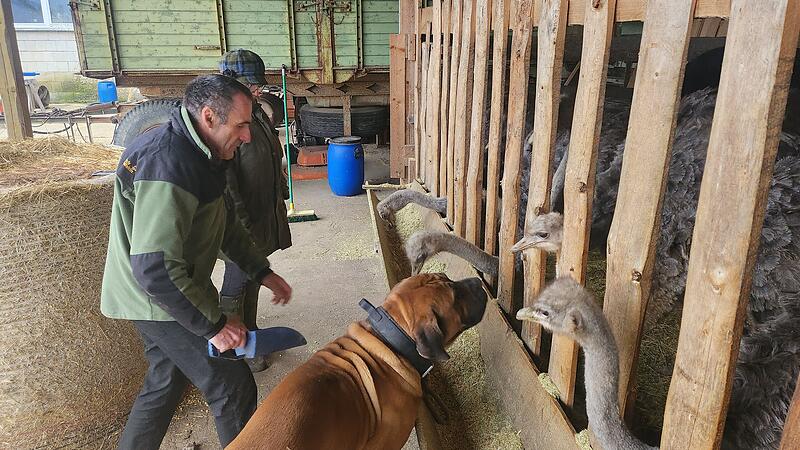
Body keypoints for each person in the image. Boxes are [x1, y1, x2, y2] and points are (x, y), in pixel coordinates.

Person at [100, 73, 293, 450]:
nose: (247, 136)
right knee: (232, 386)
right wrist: (215, 325)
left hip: (166, 290)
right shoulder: (169, 163)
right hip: (157, 297)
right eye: (240, 125)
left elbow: (225, 224)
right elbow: (155, 268)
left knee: (166, 381)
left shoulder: (204, 154)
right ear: (208, 117)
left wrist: (261, 270)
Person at [217, 49, 293, 372]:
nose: (258, 89)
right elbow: (228, 186)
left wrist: (280, 185)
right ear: (230, 83)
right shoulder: (224, 122)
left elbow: (269, 154)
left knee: (252, 277)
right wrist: (242, 226)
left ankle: (250, 330)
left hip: (260, 212)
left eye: (258, 83)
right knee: (237, 282)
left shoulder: (255, 112)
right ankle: (233, 347)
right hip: (240, 221)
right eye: (251, 84)